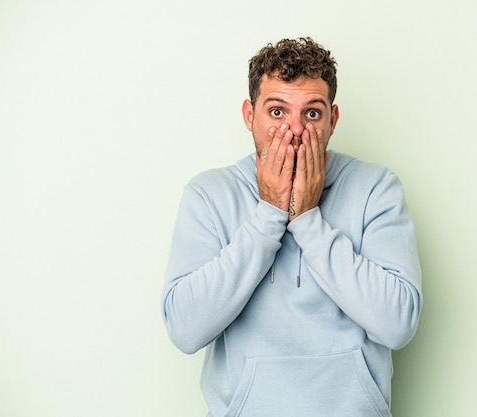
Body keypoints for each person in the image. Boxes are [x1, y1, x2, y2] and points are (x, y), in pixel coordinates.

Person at [161, 37, 423, 417]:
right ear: (250, 116)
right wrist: (269, 212)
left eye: (312, 114)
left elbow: (397, 325)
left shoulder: (375, 188)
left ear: (332, 120)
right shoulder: (209, 194)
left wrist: (306, 219)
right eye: (277, 112)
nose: (295, 130)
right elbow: (185, 331)